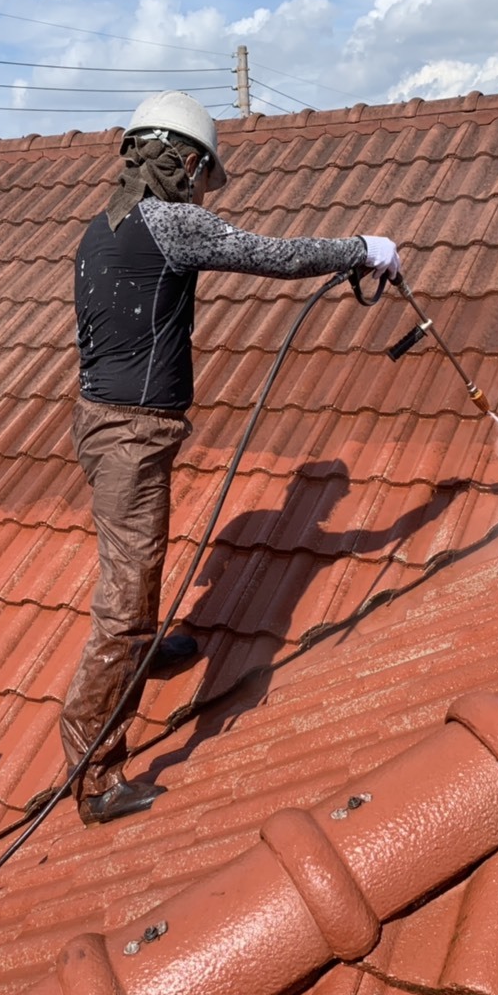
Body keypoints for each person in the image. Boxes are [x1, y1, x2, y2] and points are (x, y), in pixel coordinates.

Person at [61, 90, 400, 825]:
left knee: (138, 565)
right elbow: (268, 256)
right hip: (130, 435)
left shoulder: (101, 227)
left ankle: (147, 654)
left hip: (104, 425)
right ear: (182, 161)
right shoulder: (170, 223)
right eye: (199, 170)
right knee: (123, 604)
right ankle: (94, 778)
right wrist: (360, 250)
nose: (199, 184)